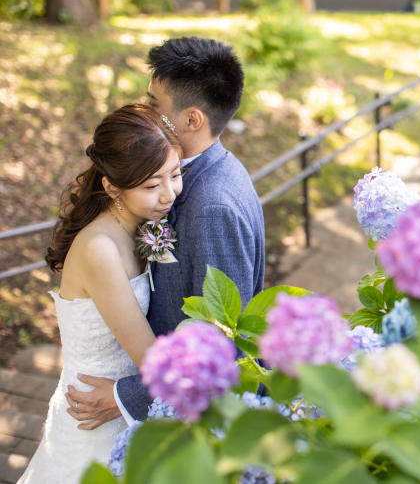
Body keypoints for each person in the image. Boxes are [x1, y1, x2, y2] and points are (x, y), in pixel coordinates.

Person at [65, 38, 266, 426]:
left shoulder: (212, 207)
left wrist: (126, 397)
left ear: (192, 120)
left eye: (155, 104)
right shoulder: (188, 175)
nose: (147, 111)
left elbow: (225, 343)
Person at [19, 105, 183, 484]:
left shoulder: (139, 225)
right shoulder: (100, 249)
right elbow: (152, 360)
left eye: (175, 174)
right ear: (111, 187)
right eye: (151, 185)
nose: (169, 194)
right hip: (95, 414)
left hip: (121, 406)